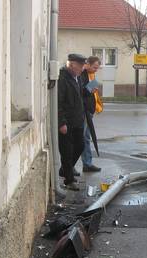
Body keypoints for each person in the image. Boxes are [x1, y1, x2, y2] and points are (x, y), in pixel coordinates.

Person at [58, 53, 87, 191]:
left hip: (78, 121)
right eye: (81, 66)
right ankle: (68, 180)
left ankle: (65, 169)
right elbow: (59, 102)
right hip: (67, 122)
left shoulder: (78, 77)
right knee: (66, 151)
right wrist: (61, 122)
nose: (83, 68)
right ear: (72, 65)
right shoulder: (62, 78)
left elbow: (79, 96)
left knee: (80, 146)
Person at [80, 56, 103, 172]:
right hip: (83, 111)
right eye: (94, 67)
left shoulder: (90, 74)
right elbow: (80, 91)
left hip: (89, 111)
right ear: (87, 64)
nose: (96, 70)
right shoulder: (81, 73)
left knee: (86, 138)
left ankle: (87, 163)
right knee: (81, 138)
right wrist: (90, 90)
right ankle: (73, 166)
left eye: (97, 68)